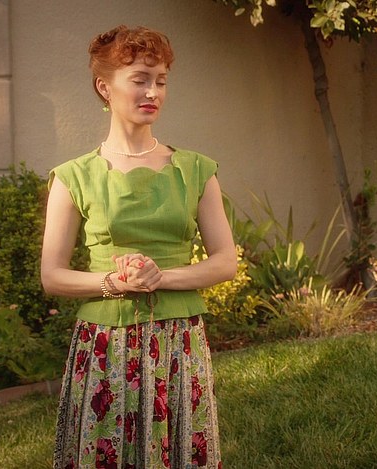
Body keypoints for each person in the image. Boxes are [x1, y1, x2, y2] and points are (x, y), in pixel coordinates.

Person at [41, 25, 236, 469]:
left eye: (161, 81)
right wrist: (115, 282)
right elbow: (52, 275)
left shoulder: (197, 170)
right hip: (106, 345)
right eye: (140, 79)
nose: (153, 92)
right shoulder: (74, 177)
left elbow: (226, 262)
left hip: (179, 342)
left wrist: (159, 277)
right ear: (104, 87)